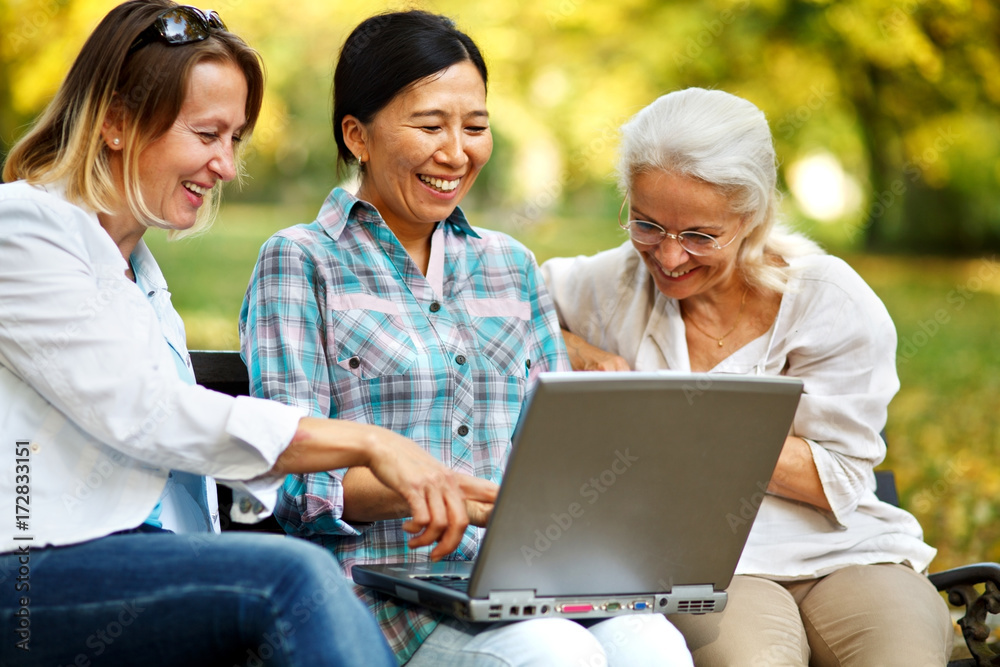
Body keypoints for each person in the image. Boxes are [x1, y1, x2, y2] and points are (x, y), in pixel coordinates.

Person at [0, 3, 482, 665]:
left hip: (129, 564)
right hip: (25, 577)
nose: (225, 165)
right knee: (292, 578)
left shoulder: (137, 274)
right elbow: (147, 412)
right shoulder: (20, 229)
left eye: (235, 139)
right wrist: (368, 441)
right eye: (207, 134)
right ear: (114, 121)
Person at [240, 10, 693, 667]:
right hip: (378, 591)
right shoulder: (302, 261)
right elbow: (291, 472)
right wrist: (445, 490)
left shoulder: (511, 266)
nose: (456, 152)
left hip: (522, 577)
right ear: (357, 135)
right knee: (556, 656)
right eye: (430, 125)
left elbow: (553, 451)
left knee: (656, 643)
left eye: (475, 126)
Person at [540, 87, 954, 666]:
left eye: (700, 236)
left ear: (753, 215)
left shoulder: (829, 301)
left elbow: (836, 479)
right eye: (647, 224)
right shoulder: (614, 283)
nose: (668, 255)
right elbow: (498, 306)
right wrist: (578, 350)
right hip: (706, 563)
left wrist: (685, 421)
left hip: (853, 551)